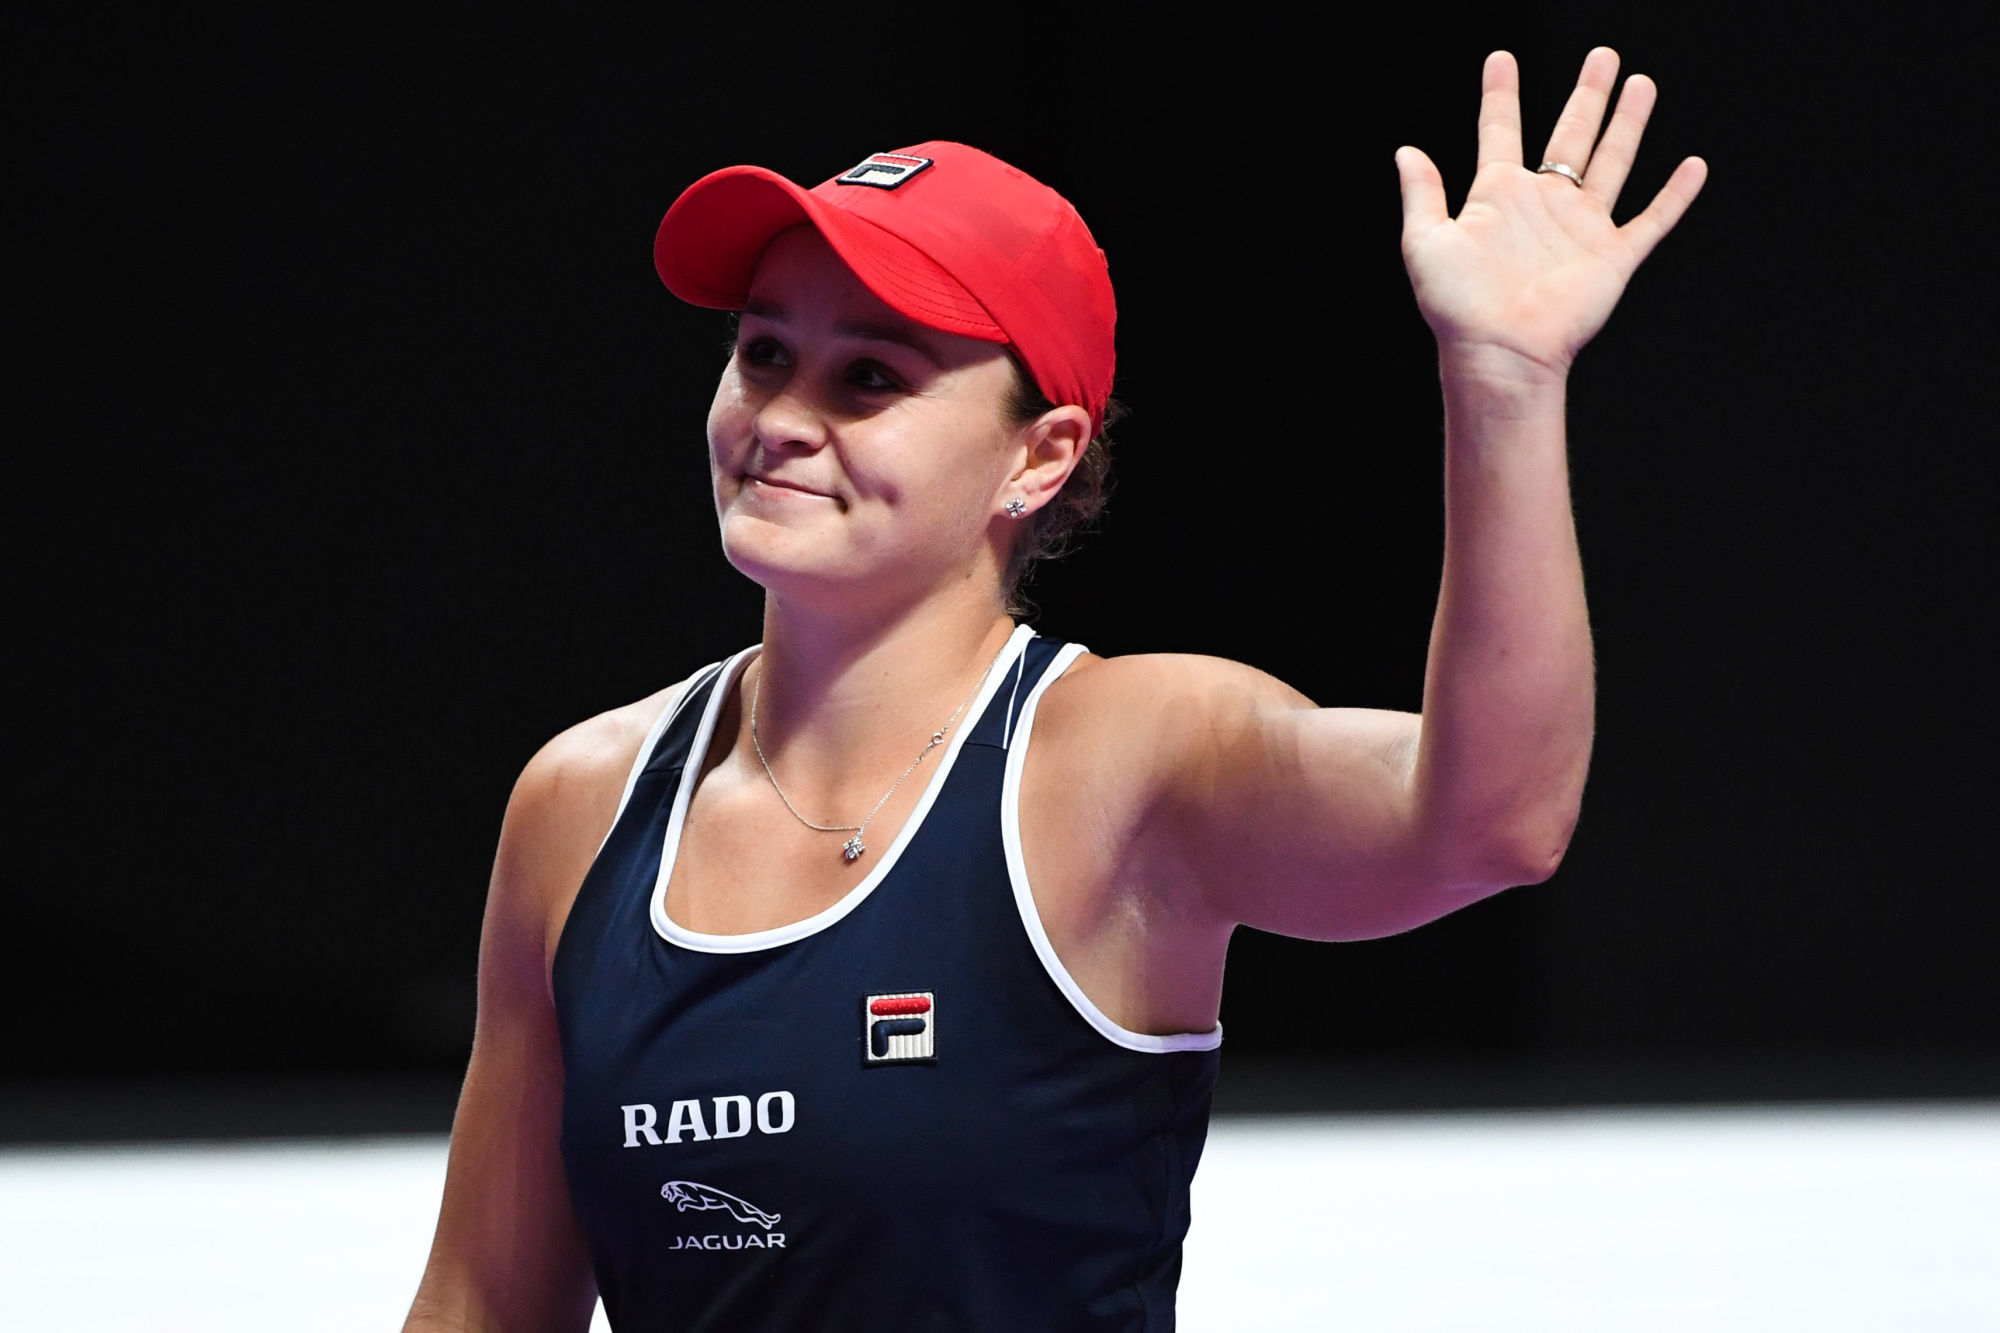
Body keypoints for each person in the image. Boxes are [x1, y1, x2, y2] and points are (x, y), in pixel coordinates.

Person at [404, 47, 1705, 1332]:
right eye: (760, 354)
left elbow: (1492, 820)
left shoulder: (1127, 760)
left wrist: (1506, 384)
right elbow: (479, 1304)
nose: (784, 418)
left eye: (869, 376)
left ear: (1040, 455)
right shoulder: (581, 804)